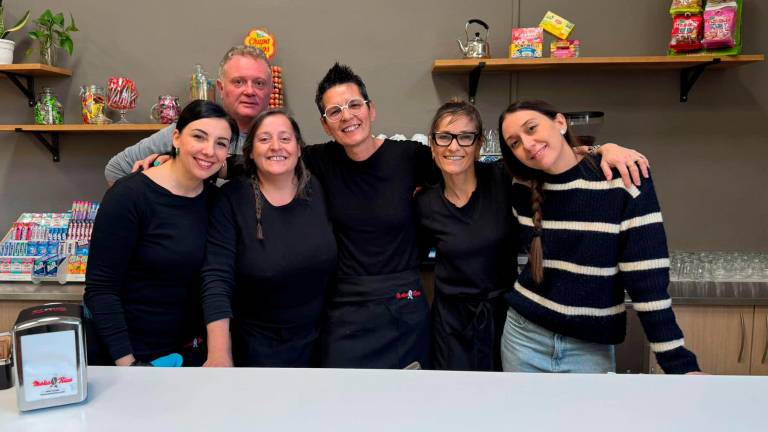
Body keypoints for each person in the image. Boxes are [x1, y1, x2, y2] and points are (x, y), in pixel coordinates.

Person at [306, 63, 647, 369]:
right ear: (324, 124)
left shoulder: (417, 159)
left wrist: (602, 149)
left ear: (371, 109)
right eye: (334, 111)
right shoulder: (320, 162)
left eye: (354, 104)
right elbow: (270, 156)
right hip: (378, 312)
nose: (347, 115)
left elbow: (541, 158)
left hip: (469, 315)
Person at [497, 99, 700, 374]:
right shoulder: (519, 185)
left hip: (589, 347)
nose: (527, 144)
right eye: (514, 143)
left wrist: (679, 364)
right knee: (522, 418)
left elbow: (647, 281)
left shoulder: (623, 178)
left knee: (588, 419)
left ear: (559, 122)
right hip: (523, 337)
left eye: (531, 128)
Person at [84, 100, 238, 366]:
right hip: (131, 356)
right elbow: (101, 289)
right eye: (199, 137)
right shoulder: (128, 196)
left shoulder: (216, 200)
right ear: (176, 137)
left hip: (189, 355)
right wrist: (129, 365)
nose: (209, 150)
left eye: (221, 143)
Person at [200, 110, 337, 367]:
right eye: (264, 139)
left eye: (285, 139)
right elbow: (217, 277)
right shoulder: (232, 198)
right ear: (250, 151)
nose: (276, 146)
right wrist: (219, 353)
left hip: (320, 340)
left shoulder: (318, 188)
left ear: (299, 149)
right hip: (256, 345)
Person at [415, 100, 517, 371]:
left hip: (503, 318)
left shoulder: (502, 180)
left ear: (479, 144)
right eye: (445, 137)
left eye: (465, 137)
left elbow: (550, 159)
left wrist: (603, 150)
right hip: (451, 325)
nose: (454, 146)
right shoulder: (426, 203)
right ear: (433, 144)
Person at [104, 45, 273, 185]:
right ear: (221, 88)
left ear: (270, 90)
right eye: (239, 82)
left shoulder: (281, 141)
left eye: (259, 83)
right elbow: (116, 169)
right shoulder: (191, 130)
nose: (249, 91)